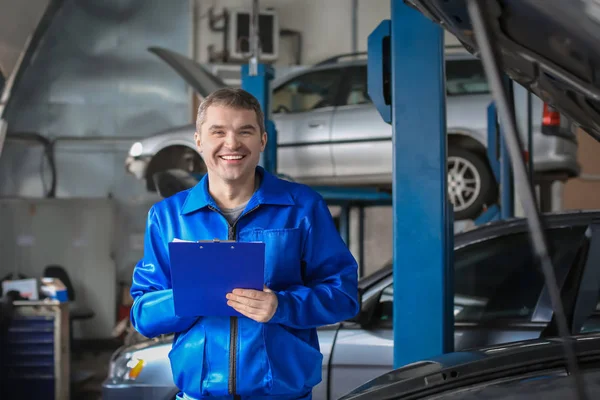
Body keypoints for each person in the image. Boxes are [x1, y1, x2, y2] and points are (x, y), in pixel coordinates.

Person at [130, 88, 360, 400]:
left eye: (245, 131)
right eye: (218, 132)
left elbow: (343, 296)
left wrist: (282, 306)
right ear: (198, 140)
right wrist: (189, 297)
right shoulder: (167, 217)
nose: (232, 143)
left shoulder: (302, 208)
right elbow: (143, 314)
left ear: (262, 140)